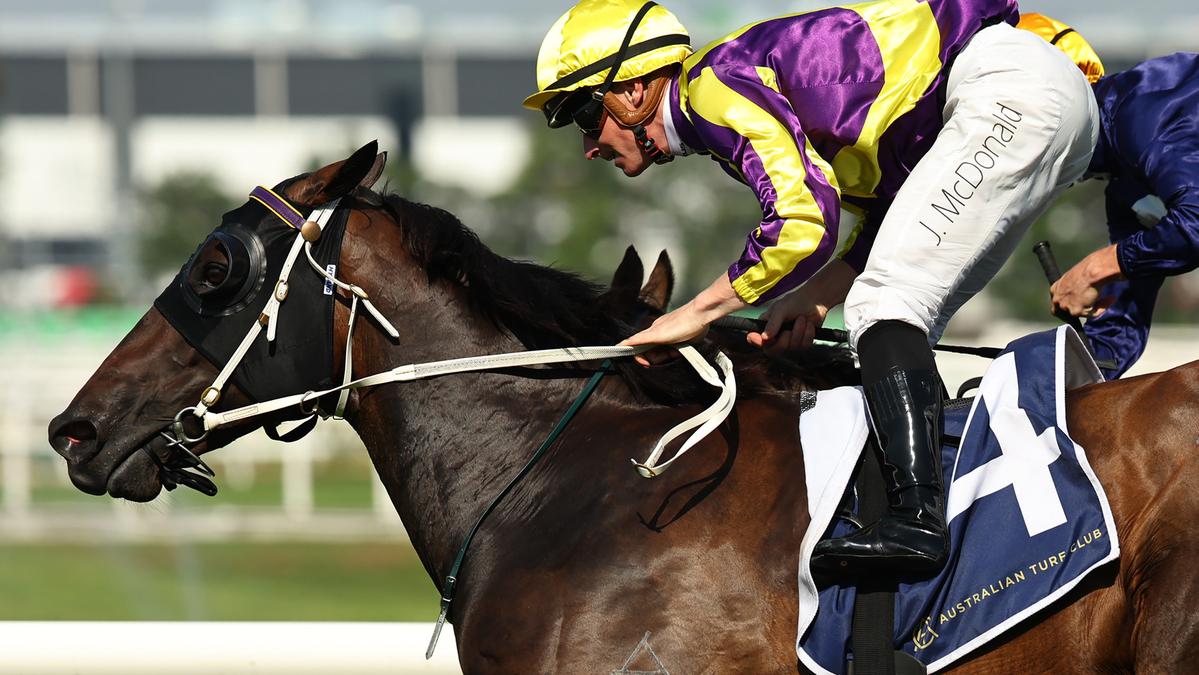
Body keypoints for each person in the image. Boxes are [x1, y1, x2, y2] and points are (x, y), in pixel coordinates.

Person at [524, 0, 1098, 576]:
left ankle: (918, 523)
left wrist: (696, 312)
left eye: (584, 116)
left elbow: (801, 223)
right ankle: (938, 504)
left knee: (885, 305)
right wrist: (817, 294)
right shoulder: (721, 95)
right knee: (903, 315)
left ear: (633, 91)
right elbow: (896, 209)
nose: (589, 146)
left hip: (1009, 94)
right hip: (1040, 100)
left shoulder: (711, 87)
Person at [1022, 20, 1199, 378]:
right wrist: (1056, 375)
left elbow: (1195, 224)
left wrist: (1094, 268)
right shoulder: (1124, 184)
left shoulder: (1142, 115)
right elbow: (1119, 326)